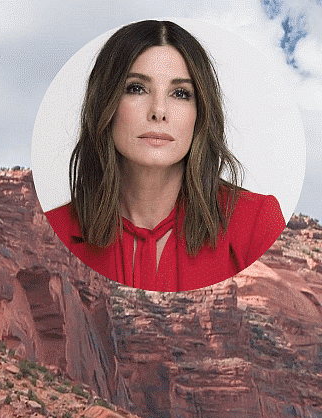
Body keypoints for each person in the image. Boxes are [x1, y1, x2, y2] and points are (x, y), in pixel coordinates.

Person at [45, 20, 284, 291]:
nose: (159, 111)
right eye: (136, 88)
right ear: (104, 104)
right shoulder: (52, 230)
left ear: (201, 112)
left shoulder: (255, 223)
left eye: (180, 93)